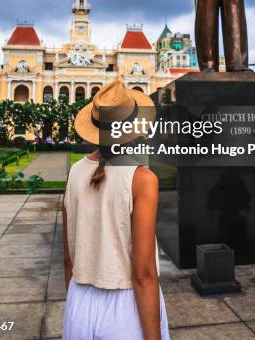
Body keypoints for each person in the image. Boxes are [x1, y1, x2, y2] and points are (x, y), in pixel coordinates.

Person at [62, 78, 170, 340]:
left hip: (78, 302)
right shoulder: (142, 179)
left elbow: (68, 259)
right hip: (125, 310)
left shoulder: (74, 173)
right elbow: (143, 274)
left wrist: (77, 303)